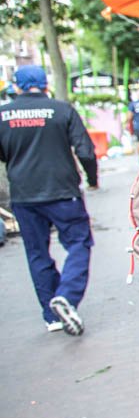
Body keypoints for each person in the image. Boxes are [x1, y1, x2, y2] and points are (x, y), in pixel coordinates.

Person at [0, 65, 96, 335]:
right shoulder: (62, 109)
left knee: (36, 253)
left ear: (17, 86)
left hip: (24, 195)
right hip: (64, 192)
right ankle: (67, 296)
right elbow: (85, 150)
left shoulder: (2, 115)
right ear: (44, 84)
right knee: (79, 243)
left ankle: (51, 314)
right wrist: (92, 178)